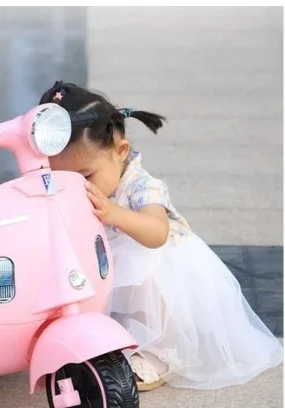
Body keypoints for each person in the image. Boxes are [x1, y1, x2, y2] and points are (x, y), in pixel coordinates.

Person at [39, 81, 283, 391]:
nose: (77, 186)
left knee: (140, 267)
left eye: (86, 176)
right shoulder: (81, 181)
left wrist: (115, 214)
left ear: (120, 151)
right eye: (61, 176)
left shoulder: (142, 186)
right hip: (109, 263)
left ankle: (161, 354)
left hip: (162, 268)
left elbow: (157, 233)